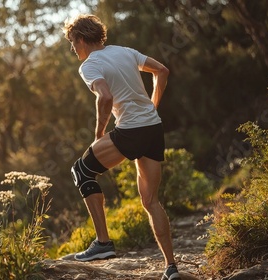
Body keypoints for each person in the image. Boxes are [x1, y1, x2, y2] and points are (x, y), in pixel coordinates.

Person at [62, 14, 181, 280]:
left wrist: (99, 134)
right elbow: (162, 71)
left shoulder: (90, 65)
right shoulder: (125, 52)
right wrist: (152, 106)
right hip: (153, 128)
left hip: (130, 132)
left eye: (72, 43)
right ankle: (171, 267)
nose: (73, 49)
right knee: (151, 201)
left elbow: (104, 96)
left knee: (81, 171)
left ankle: (103, 243)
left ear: (81, 39)